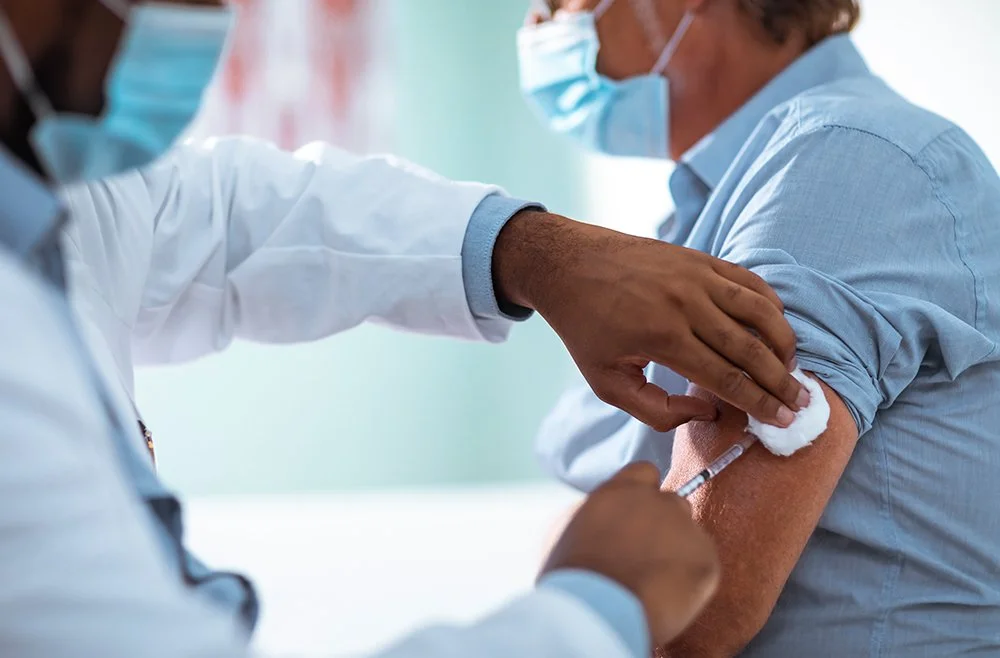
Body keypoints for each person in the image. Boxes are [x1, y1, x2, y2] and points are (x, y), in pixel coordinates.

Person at [0, 0, 807, 656]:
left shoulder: (51, 184)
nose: (207, 24)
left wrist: (528, 250)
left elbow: (221, 214)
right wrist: (588, 615)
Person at [528, 0, 1000, 656]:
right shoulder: (718, 208)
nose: (536, 28)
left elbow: (690, 609)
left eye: (560, 3)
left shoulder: (842, 159)